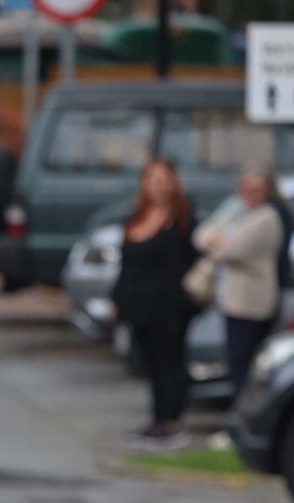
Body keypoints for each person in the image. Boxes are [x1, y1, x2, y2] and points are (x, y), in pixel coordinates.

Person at [112, 159, 198, 450]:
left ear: (174, 183)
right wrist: (117, 300)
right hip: (139, 306)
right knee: (150, 365)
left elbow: (191, 262)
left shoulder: (182, 220)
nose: (158, 185)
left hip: (170, 307)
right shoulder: (135, 218)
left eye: (164, 179)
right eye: (152, 179)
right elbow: (126, 265)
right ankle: (157, 419)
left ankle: (173, 421)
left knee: (171, 363)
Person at [197, 164, 287, 399]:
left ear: (267, 191)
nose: (250, 193)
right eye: (246, 188)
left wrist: (217, 243)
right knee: (235, 362)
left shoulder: (267, 217)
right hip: (233, 300)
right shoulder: (238, 211)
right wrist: (218, 241)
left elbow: (229, 251)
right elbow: (200, 235)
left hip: (252, 304)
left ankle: (244, 420)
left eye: (256, 189)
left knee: (243, 365)